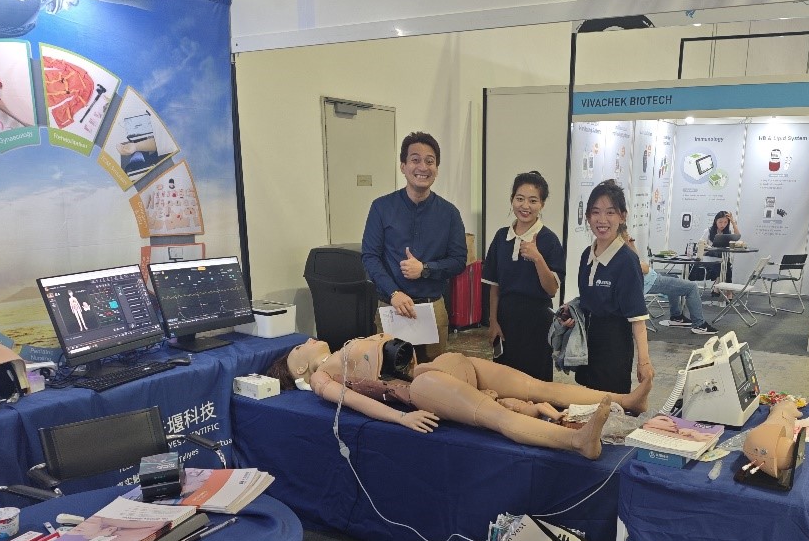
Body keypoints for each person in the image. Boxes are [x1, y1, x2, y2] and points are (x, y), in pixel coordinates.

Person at [265, 333, 653, 460]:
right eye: (299, 348)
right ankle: (576, 441)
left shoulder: (340, 348)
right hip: (419, 391)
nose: (307, 340)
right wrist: (401, 417)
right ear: (299, 369)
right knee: (497, 417)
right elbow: (356, 402)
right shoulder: (322, 378)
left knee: (539, 386)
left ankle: (627, 400)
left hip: (439, 367)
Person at [361, 132, 467, 362]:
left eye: (430, 161)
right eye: (415, 160)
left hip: (432, 308)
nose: (423, 167)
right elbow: (370, 257)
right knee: (389, 373)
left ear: (436, 168)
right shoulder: (381, 207)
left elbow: (459, 260)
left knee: (433, 375)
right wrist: (394, 293)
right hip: (392, 307)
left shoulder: (449, 213)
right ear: (403, 166)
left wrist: (425, 269)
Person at [564, 180, 653, 395]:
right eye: (595, 212)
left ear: (622, 216)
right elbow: (589, 299)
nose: (602, 220)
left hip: (615, 345)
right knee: (586, 399)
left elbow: (638, 318)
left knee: (611, 402)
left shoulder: (626, 260)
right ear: (587, 217)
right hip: (587, 342)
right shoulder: (587, 255)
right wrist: (571, 312)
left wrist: (644, 361)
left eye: (610, 212)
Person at [482, 171, 563, 381]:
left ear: (542, 204)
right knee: (504, 381)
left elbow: (552, 289)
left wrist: (538, 258)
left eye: (533, 201)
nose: (525, 206)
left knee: (535, 382)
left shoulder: (549, 240)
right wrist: (493, 321)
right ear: (512, 200)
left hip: (537, 321)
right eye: (520, 199)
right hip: (506, 319)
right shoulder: (501, 237)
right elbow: (494, 285)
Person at [630, 227, 718, 335]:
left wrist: (631, 244)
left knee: (674, 278)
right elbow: (644, 268)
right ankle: (699, 325)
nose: (628, 236)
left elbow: (636, 260)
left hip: (649, 279)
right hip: (649, 282)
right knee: (692, 287)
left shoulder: (622, 249)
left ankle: (676, 317)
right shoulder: (621, 251)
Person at [691, 210, 740, 283]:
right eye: (720, 222)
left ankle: (719, 285)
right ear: (715, 221)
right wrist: (708, 247)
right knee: (724, 264)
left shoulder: (727, 232)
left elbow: (737, 236)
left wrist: (732, 221)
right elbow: (699, 244)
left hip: (722, 259)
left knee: (726, 264)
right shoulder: (708, 231)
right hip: (708, 258)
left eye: (725, 222)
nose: (723, 225)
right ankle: (722, 285)